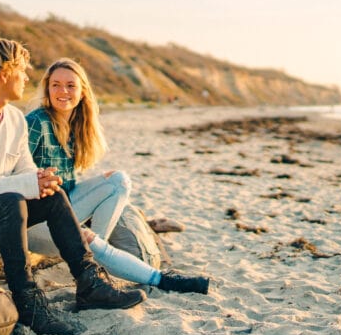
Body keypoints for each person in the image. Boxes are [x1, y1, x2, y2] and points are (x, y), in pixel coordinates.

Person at [0, 35, 146, 335]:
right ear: (3, 73)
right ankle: (29, 303)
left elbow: (26, 171)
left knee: (53, 195)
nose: (27, 77)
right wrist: (28, 183)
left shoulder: (14, 120)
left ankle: (90, 284)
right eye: (21, 70)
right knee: (10, 201)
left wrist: (42, 180)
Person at [26, 58, 209, 295]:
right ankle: (162, 280)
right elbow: (11, 176)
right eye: (56, 85)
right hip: (34, 223)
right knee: (90, 239)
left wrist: (100, 185)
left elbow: (67, 186)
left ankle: (93, 258)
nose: (63, 91)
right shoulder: (35, 123)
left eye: (71, 85)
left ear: (82, 91)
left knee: (118, 180)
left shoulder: (76, 124)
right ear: (47, 89)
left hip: (63, 208)